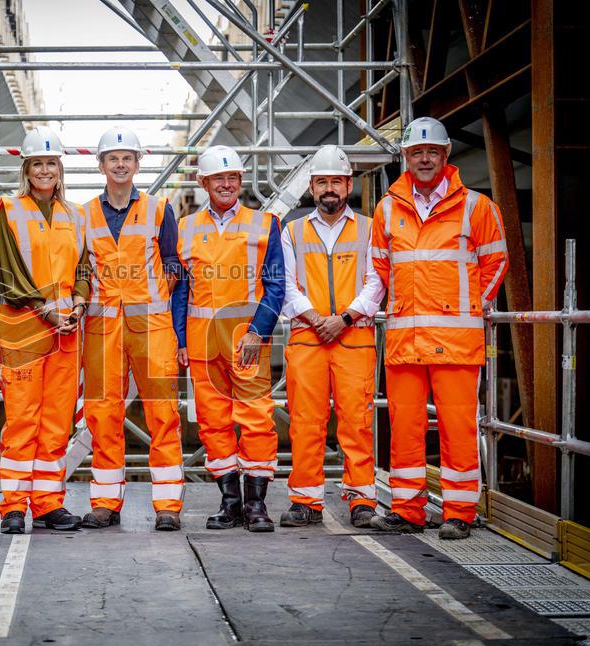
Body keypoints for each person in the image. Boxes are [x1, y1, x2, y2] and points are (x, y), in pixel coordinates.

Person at [369, 117, 509, 540]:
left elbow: (496, 261)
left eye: (432, 152)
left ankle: (459, 513)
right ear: (405, 157)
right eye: (416, 153)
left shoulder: (475, 207)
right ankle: (407, 509)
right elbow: (379, 267)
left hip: (456, 339)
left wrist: (468, 305)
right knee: (405, 426)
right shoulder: (388, 208)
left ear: (446, 156)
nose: (424, 159)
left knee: (458, 427)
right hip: (405, 340)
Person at [174, 145, 284, 532]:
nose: (226, 184)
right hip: (203, 345)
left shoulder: (264, 223)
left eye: (233, 178)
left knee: (256, 421)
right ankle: (230, 502)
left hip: (247, 344)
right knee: (213, 424)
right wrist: (180, 339)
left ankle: (256, 506)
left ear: (240, 181)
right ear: (203, 183)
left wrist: (258, 331)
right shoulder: (185, 228)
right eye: (218, 178)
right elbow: (181, 291)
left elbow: (275, 285)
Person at [80, 127, 185, 531]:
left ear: (138, 163)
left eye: (127, 158)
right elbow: (80, 269)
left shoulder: (160, 209)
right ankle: (106, 502)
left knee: (163, 413)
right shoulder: (84, 214)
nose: (121, 165)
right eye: (113, 158)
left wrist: (157, 300)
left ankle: (168, 506)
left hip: (152, 328)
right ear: (101, 165)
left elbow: (175, 264)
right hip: (103, 328)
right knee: (103, 415)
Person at [278, 145, 385, 529]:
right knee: (306, 421)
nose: (329, 189)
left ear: (349, 185)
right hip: (308, 339)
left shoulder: (371, 228)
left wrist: (343, 318)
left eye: (336, 182)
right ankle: (306, 501)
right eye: (322, 181)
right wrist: (317, 318)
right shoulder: (291, 231)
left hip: (354, 337)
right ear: (310, 187)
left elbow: (377, 282)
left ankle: (362, 501)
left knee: (356, 421)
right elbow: (286, 285)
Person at [0, 126, 88, 534]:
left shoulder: (75, 216)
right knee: (21, 420)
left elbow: (84, 267)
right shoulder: (8, 210)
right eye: (37, 165)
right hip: (23, 331)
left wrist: (80, 301)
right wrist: (46, 310)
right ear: (26, 169)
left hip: (66, 333)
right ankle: (14, 506)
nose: (45, 171)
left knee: (56, 422)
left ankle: (48, 503)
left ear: (60, 168)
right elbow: (8, 274)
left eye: (51, 163)